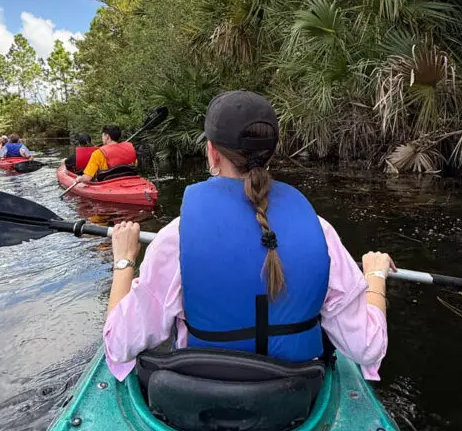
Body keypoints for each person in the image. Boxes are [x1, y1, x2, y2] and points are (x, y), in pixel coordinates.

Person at [103, 90, 392, 381]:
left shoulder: (174, 238)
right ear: (273, 153)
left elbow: (119, 345)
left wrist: (124, 262)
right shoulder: (322, 232)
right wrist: (375, 278)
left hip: (201, 398)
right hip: (294, 400)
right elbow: (368, 349)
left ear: (212, 152)